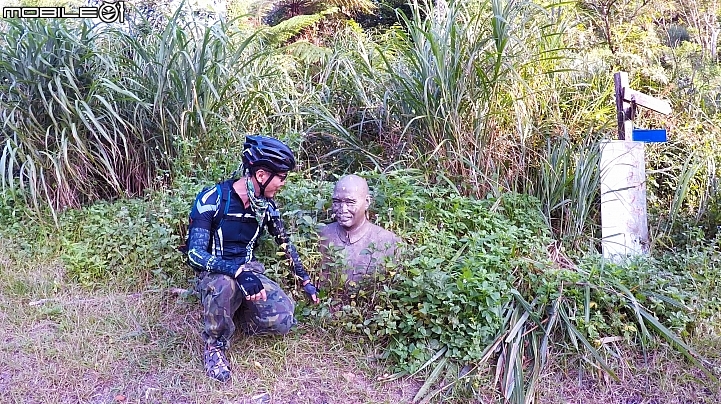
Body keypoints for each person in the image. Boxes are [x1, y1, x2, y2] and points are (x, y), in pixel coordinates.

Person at [185, 135, 319, 382]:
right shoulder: (212, 199)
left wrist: (305, 280)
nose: (282, 183)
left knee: (283, 321)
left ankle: (231, 311)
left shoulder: (266, 206)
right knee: (224, 285)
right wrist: (236, 272)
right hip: (216, 273)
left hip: (249, 268)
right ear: (261, 175)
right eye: (281, 177)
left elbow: (284, 242)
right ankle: (215, 346)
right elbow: (195, 255)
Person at [319, 174, 400, 284]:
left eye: (350, 202)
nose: (343, 209)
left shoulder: (389, 241)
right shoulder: (322, 235)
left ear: (367, 202)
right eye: (337, 202)